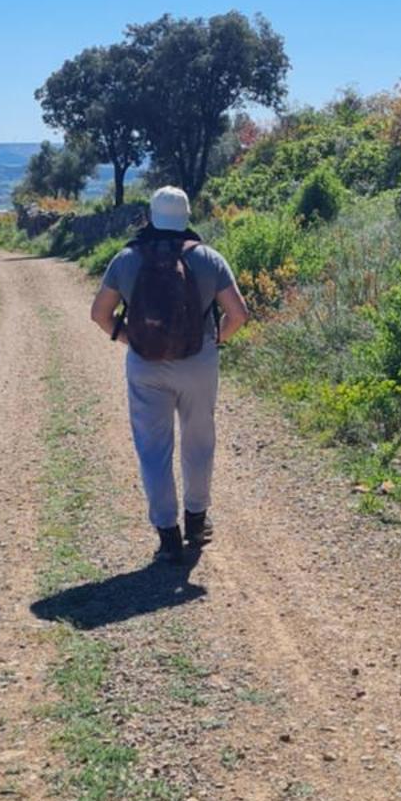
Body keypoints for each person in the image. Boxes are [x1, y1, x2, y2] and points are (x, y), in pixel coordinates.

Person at [91, 186, 250, 563]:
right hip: (199, 364)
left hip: (146, 365)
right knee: (199, 442)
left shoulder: (126, 259)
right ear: (187, 217)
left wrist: (129, 337)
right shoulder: (209, 258)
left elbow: (100, 313)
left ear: (152, 216)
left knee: (153, 450)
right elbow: (238, 314)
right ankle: (197, 522)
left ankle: (167, 535)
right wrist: (214, 342)